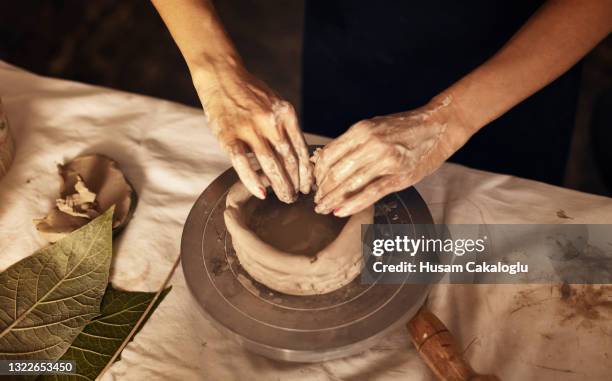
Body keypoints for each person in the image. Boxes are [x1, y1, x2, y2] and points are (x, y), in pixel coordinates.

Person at [151, 0, 612, 217]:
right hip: (355, 38)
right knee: (338, 190)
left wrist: (452, 119)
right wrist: (212, 64)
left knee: (502, 264)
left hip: (513, 69)